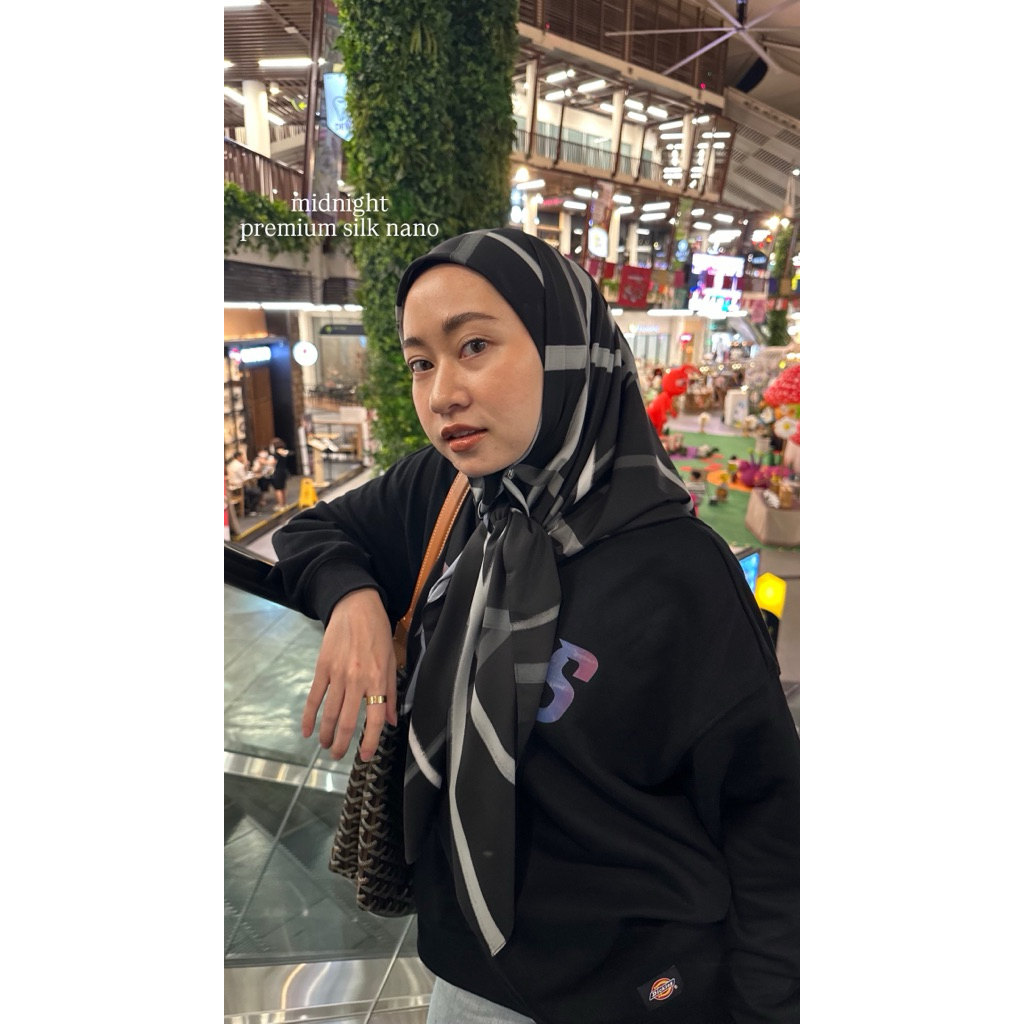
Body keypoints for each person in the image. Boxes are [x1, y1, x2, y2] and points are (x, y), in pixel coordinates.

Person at [269, 228, 799, 1024]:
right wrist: (353, 600)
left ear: (565, 350)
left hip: (642, 991)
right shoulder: (448, 495)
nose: (442, 393)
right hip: (465, 976)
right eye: (420, 362)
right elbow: (312, 531)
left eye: (474, 346)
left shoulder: (678, 570)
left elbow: (768, 822)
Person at [225, 450, 260, 516]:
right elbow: (244, 477)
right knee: (256, 492)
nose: (243, 458)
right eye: (242, 456)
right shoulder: (239, 465)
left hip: (231, 487)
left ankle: (247, 508)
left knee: (250, 491)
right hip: (239, 486)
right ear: (239, 457)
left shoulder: (230, 465)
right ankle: (252, 510)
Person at [268, 436, 291, 511]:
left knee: (278, 489)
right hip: (284, 471)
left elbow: (272, 462)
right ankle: (284, 503)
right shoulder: (285, 452)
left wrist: (263, 461)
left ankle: (280, 505)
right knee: (283, 488)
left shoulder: (276, 454)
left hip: (277, 472)